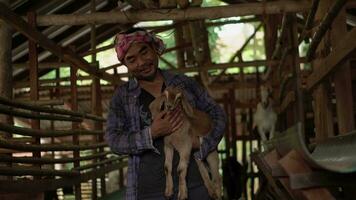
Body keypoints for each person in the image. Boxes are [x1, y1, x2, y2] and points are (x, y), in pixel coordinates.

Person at [105, 27, 226, 200]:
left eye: (144, 52)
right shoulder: (122, 96)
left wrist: (202, 144)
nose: (140, 62)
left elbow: (218, 115)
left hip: (197, 187)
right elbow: (113, 140)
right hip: (149, 192)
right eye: (131, 60)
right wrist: (151, 133)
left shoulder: (184, 84)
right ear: (126, 65)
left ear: (154, 49)